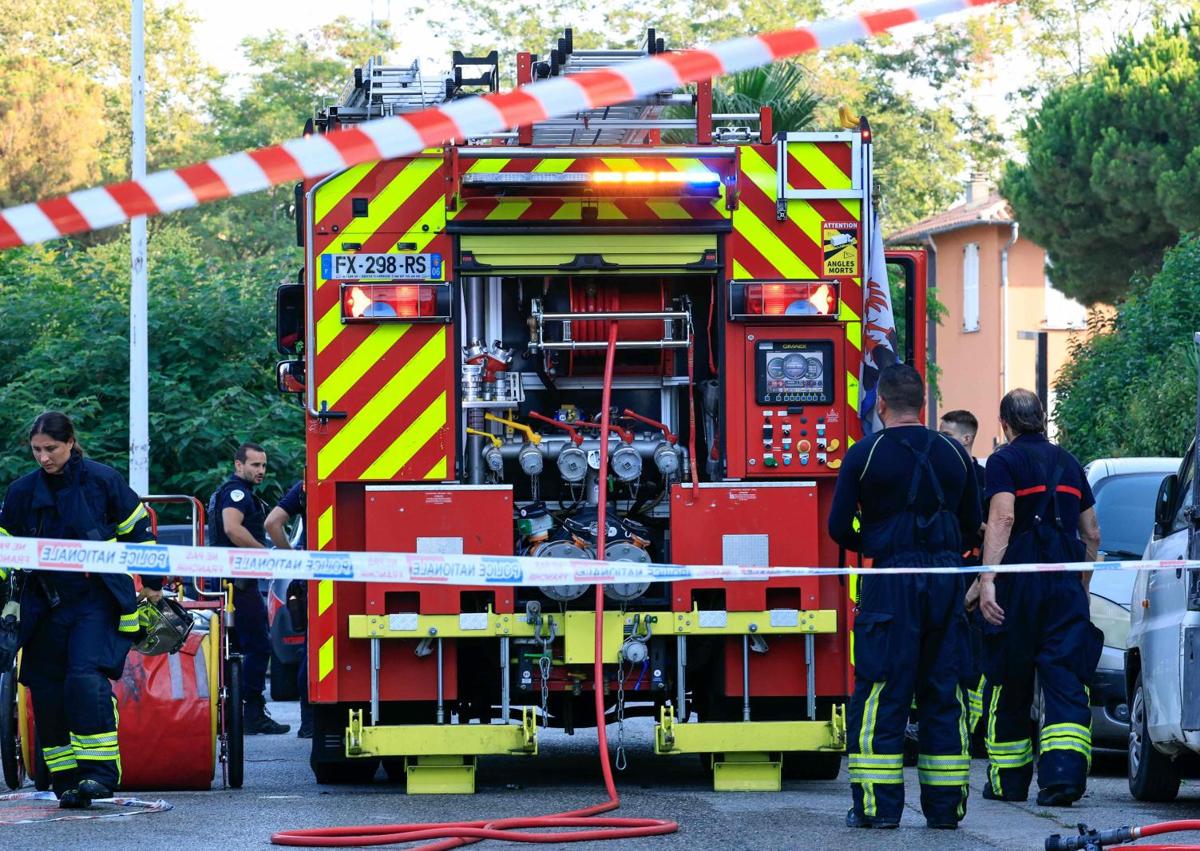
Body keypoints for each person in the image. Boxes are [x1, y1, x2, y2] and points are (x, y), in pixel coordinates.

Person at [829, 365, 982, 830]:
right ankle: (945, 810)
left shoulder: (864, 454)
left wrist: (874, 544)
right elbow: (971, 521)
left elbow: (837, 527)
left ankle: (878, 810)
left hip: (890, 581)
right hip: (945, 582)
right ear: (922, 406)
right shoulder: (956, 455)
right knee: (944, 692)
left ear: (880, 405)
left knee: (881, 691)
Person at [0, 412, 164, 808]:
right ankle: (66, 779)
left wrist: (155, 587)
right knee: (47, 689)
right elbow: (6, 550)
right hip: (42, 604)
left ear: (71, 442)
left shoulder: (102, 481)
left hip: (96, 598)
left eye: (51, 449)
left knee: (83, 679)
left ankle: (99, 774)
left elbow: (140, 535)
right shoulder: (22, 493)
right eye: (37, 450)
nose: (43, 457)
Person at [970, 389, 1102, 807]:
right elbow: (1092, 533)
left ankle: (1008, 782)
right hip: (1063, 583)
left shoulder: (1004, 461)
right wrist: (1080, 586)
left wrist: (987, 579)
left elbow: (1003, 518)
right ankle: (1063, 779)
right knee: (1065, 679)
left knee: (1010, 679)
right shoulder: (1068, 462)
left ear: (1005, 425)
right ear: (1041, 420)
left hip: (1019, 584)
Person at [208, 443, 289, 735]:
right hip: (238, 583)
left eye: (264, 466)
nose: (261, 471)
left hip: (230, 582)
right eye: (255, 465)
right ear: (238, 465)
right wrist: (262, 553)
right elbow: (232, 528)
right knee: (258, 645)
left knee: (233, 650)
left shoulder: (232, 492)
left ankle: (233, 715)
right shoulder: (236, 492)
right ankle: (252, 712)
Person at [938, 409, 990, 748]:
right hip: (944, 573)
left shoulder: (984, 478)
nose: (940, 440)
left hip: (974, 576)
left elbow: (993, 529)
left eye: (946, 434)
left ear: (967, 438)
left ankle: (972, 733)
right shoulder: (939, 474)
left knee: (972, 658)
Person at [264, 480, 311, 739]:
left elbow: (272, 522)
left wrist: (291, 556)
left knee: (313, 650)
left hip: (317, 578)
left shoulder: (306, 484)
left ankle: (311, 724)